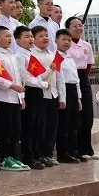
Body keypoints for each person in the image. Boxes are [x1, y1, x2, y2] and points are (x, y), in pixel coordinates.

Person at [0, 26, 29, 172]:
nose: (9, 39)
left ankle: (13, 157)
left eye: (10, 36)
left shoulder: (12, 55)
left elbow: (18, 76)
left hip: (15, 98)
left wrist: (21, 96)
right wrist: (11, 86)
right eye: (6, 36)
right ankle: (5, 158)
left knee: (15, 130)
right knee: (5, 131)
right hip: (3, 98)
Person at [65, 16, 98, 160]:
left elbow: (89, 64)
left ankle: (88, 148)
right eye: (75, 26)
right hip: (70, 78)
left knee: (87, 114)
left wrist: (83, 77)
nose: (79, 28)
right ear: (68, 28)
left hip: (83, 78)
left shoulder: (86, 45)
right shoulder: (65, 44)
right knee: (75, 115)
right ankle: (77, 149)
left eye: (80, 25)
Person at [16, 25, 47, 170]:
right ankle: (28, 157)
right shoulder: (19, 56)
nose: (30, 39)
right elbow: (23, 78)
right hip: (28, 91)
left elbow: (38, 74)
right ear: (18, 40)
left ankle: (37, 154)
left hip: (38, 91)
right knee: (29, 126)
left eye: (31, 36)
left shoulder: (31, 54)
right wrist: (41, 83)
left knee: (38, 125)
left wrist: (41, 83)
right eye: (26, 37)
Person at [29, 26, 61, 166]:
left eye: (46, 35)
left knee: (52, 127)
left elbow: (59, 77)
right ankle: (40, 154)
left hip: (54, 94)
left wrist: (62, 96)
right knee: (41, 126)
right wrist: (49, 70)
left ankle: (48, 153)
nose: (45, 38)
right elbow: (37, 77)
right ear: (34, 39)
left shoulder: (53, 54)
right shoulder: (31, 55)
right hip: (41, 94)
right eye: (41, 36)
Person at [54, 29, 83, 164]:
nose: (66, 42)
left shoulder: (70, 58)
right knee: (64, 124)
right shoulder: (56, 58)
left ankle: (74, 150)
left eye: (69, 40)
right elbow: (59, 79)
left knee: (74, 123)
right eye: (63, 39)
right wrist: (62, 97)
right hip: (63, 90)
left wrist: (78, 97)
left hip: (73, 90)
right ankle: (63, 153)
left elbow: (75, 79)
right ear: (56, 41)